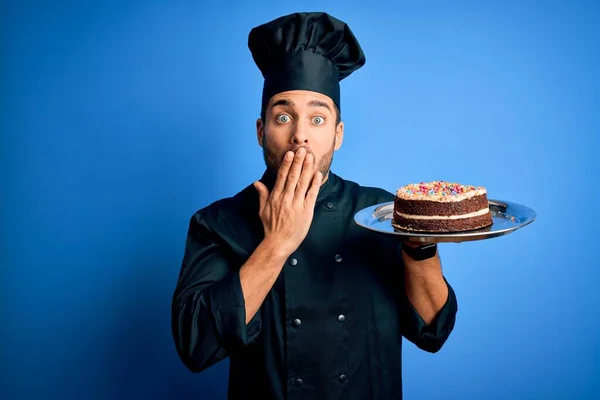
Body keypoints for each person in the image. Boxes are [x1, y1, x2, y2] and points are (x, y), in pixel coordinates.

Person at [171, 11, 458, 400]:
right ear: (261, 131)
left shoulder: (380, 213)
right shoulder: (218, 222)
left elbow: (433, 330)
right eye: (284, 116)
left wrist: (419, 247)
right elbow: (195, 345)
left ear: (338, 134)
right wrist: (276, 244)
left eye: (318, 118)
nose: (300, 135)